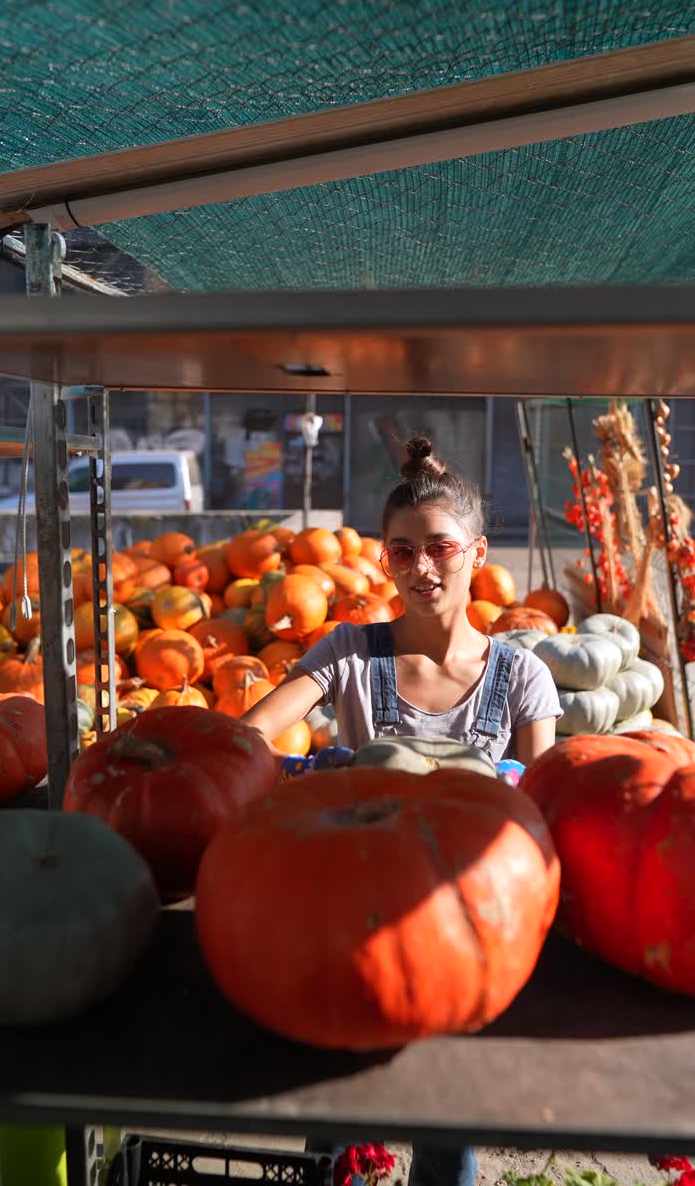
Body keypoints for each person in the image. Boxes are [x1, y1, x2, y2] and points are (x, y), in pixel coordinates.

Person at [242, 435, 562, 1186]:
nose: (422, 568)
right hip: (348, 918)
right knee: (334, 1112)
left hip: (465, 930)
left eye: (440, 548)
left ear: (476, 552)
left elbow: (546, 808)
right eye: (401, 551)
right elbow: (249, 737)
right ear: (382, 558)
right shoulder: (348, 652)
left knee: (444, 1124)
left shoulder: (523, 677)